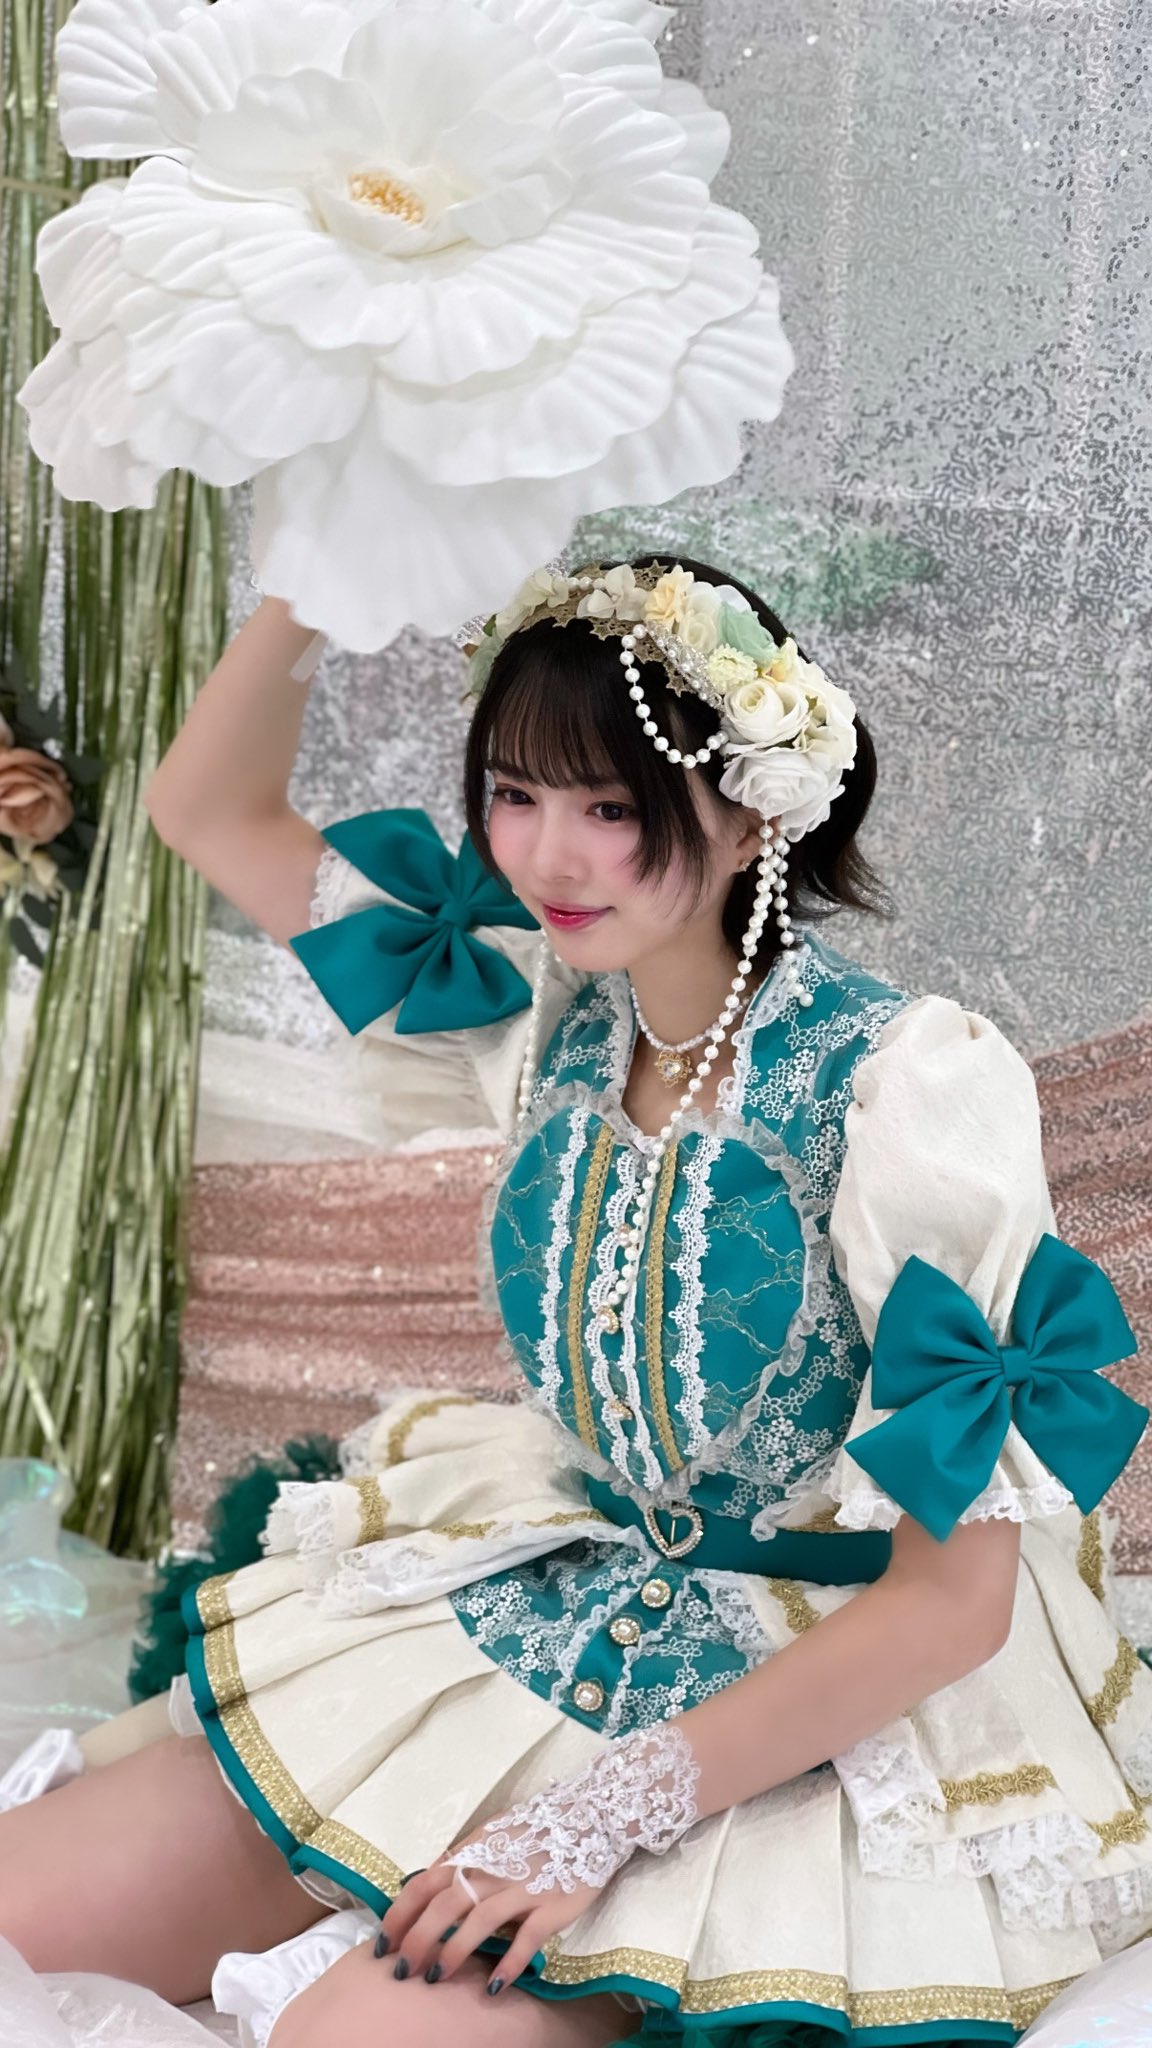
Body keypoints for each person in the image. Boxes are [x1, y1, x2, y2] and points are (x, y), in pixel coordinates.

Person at [1, 555, 1149, 2048]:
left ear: (753, 813)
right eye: (516, 794)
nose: (551, 855)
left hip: (824, 1685)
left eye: (613, 807)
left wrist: (596, 1821)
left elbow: (954, 1603)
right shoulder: (529, 1005)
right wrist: (328, 544)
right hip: (557, 1591)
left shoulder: (905, 1082)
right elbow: (208, 813)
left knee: (351, 2042)